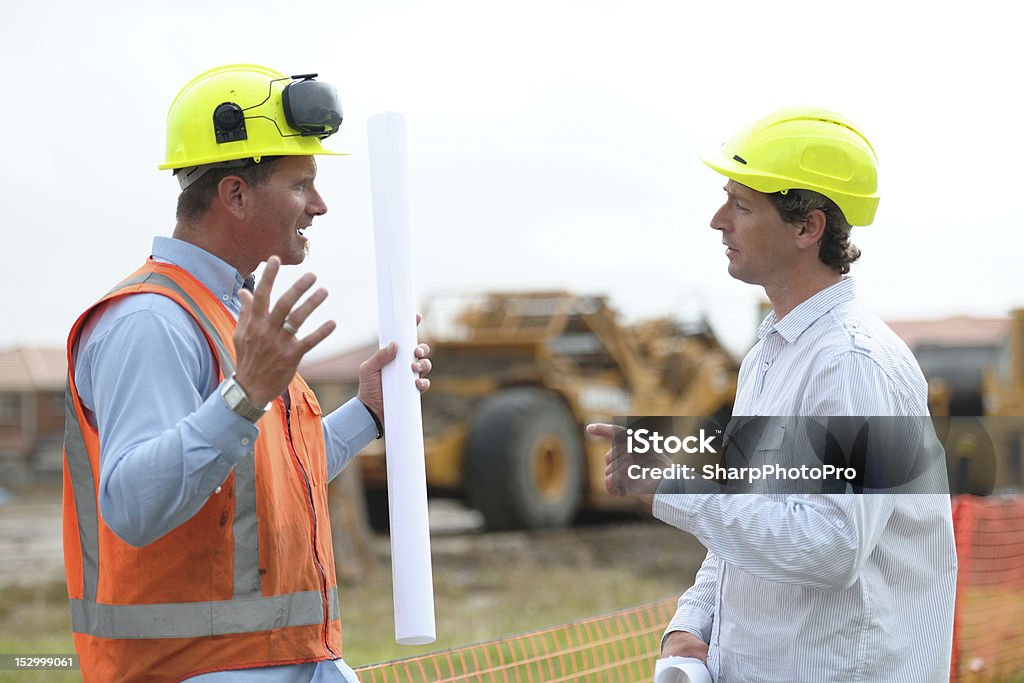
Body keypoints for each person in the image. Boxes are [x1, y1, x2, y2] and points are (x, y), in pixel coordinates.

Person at [62, 64, 431, 683]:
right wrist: (245, 394)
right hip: (197, 670)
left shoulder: (232, 311)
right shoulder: (151, 320)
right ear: (235, 194)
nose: (319, 205)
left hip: (288, 661)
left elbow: (266, 480)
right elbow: (130, 504)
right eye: (301, 184)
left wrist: (369, 413)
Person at [589, 107, 956, 681]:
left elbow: (832, 547)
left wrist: (673, 486)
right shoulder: (769, 357)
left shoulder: (851, 365)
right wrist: (695, 618)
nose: (718, 221)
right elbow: (753, 512)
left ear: (808, 227)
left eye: (741, 205)